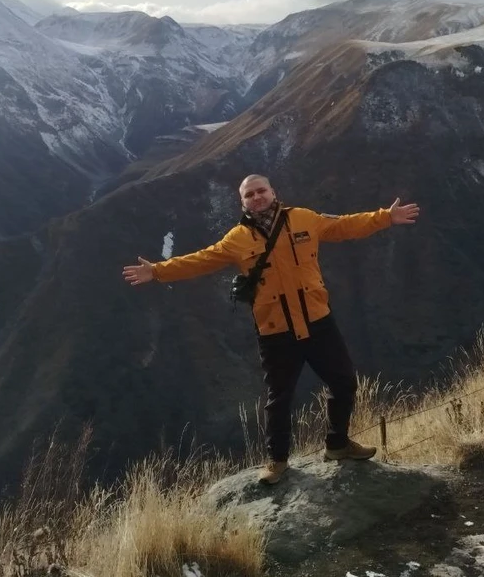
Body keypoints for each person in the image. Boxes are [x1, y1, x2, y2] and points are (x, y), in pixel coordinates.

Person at [123, 174, 419, 484]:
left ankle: (338, 444)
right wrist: (156, 271)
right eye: (249, 194)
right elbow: (199, 261)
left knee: (343, 382)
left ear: (273, 191)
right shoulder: (236, 239)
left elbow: (345, 225)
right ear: (243, 202)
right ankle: (277, 460)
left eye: (261, 190)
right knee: (279, 399)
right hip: (275, 331)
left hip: (318, 320)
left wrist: (386, 217)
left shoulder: (304, 218)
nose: (257, 197)